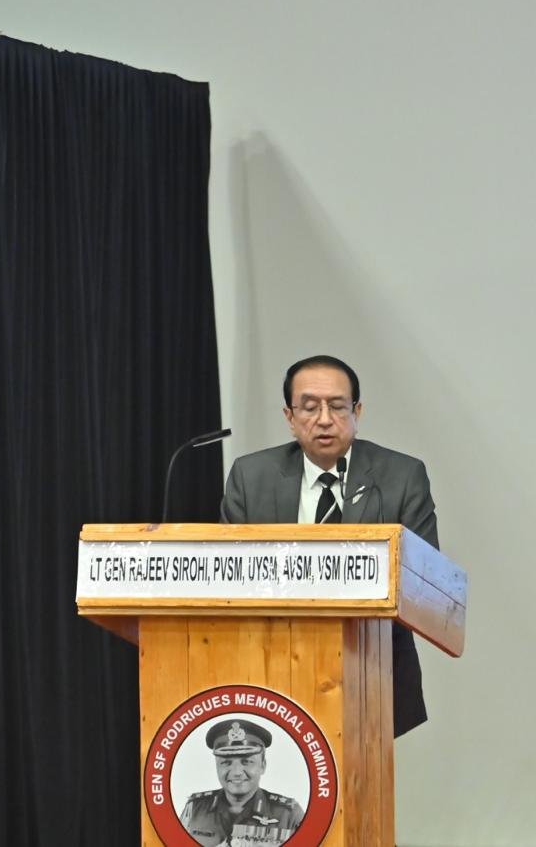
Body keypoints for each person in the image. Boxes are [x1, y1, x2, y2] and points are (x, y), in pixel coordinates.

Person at [220, 355, 434, 736]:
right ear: (289, 416)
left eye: (337, 406)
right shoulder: (251, 477)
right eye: (309, 407)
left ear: (357, 412)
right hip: (272, 668)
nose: (323, 419)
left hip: (372, 669)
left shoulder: (401, 476)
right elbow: (227, 578)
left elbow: (425, 582)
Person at [180, 719, 305, 847]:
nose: (236, 772)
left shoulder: (288, 815)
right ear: (217, 766)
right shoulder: (194, 809)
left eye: (247, 762)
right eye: (226, 762)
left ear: (263, 765)